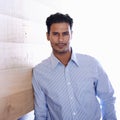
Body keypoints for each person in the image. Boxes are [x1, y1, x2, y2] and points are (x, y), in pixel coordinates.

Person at [32, 12, 117, 120]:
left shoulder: (92, 64)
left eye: (65, 33)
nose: (61, 39)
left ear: (71, 34)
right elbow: (40, 114)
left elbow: (108, 98)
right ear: (48, 36)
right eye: (55, 34)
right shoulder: (39, 72)